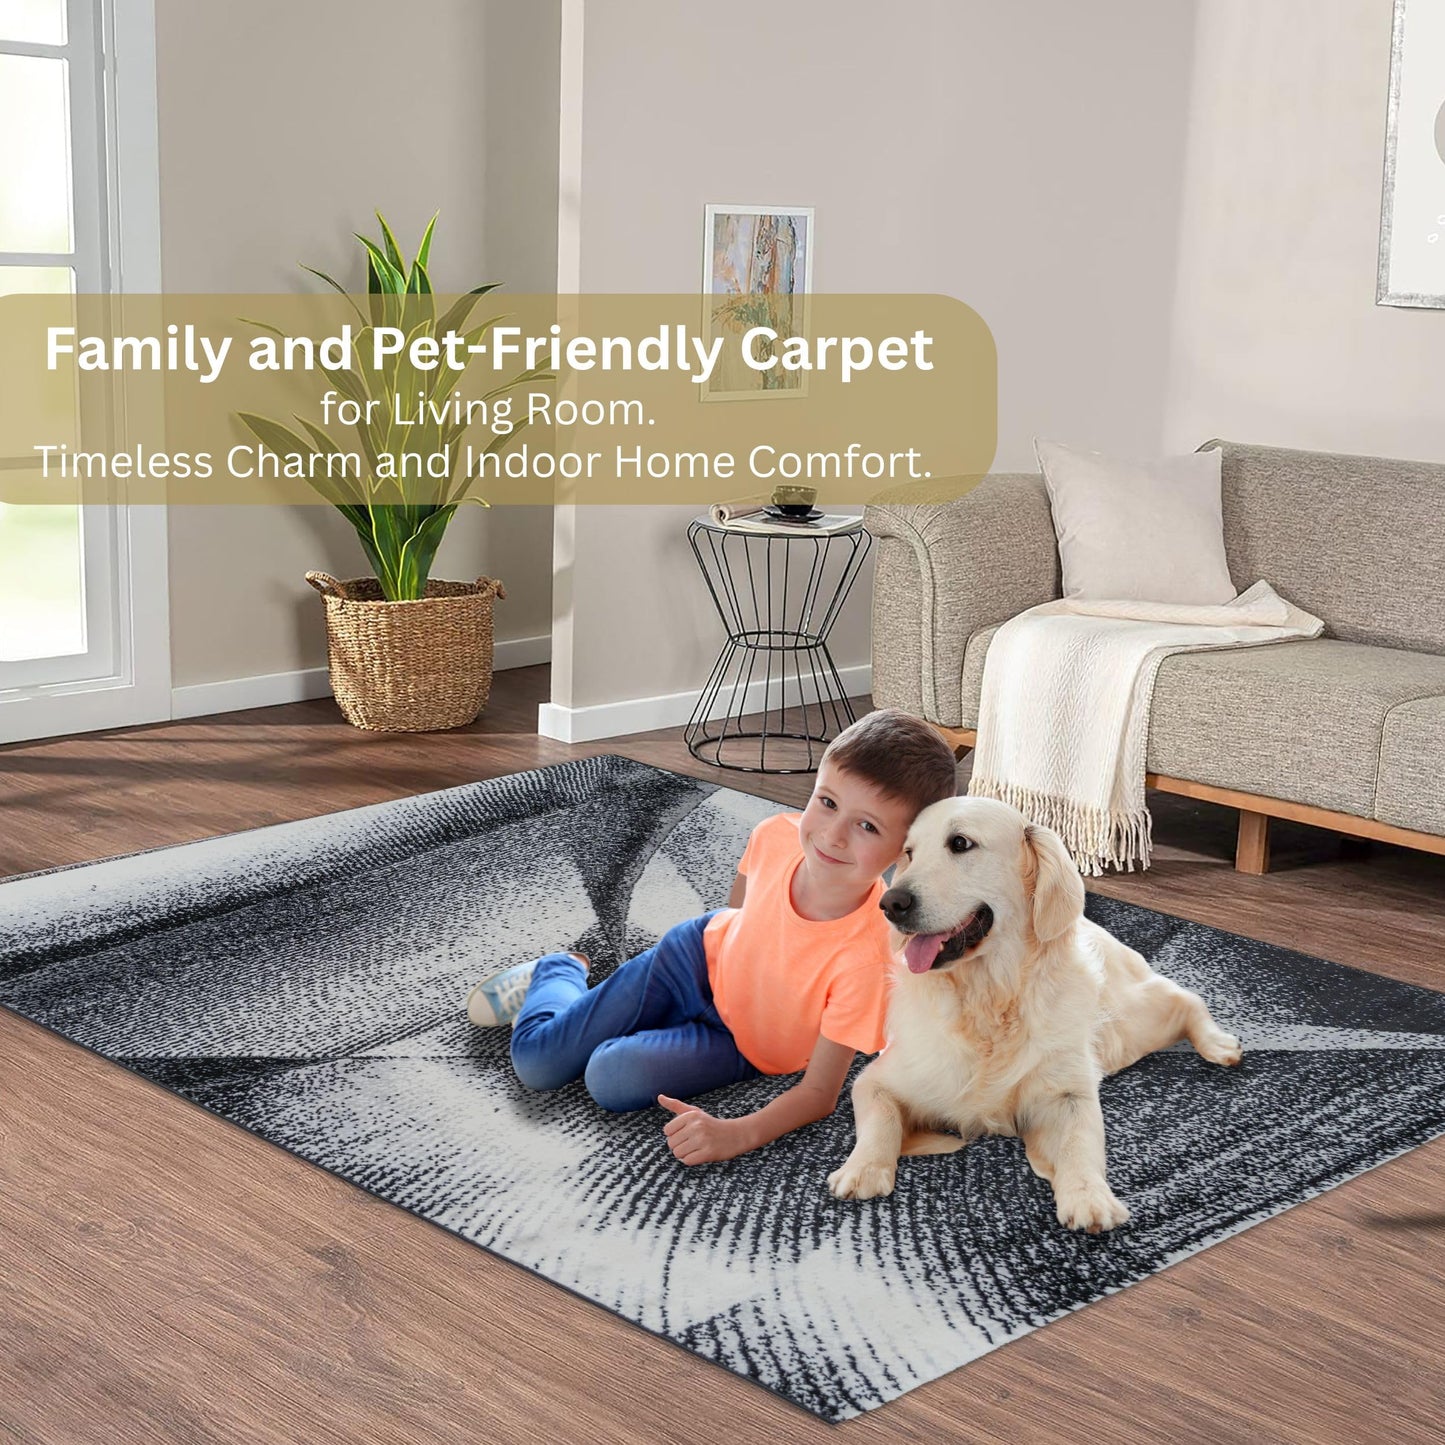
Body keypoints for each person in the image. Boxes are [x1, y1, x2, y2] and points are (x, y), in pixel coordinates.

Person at [465, 709, 959, 1165]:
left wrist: (736, 1133)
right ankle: (559, 969)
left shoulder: (869, 957)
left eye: (867, 826)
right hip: (689, 961)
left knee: (609, 1079)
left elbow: (819, 1095)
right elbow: (736, 914)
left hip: (741, 1046)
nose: (832, 835)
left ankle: (604, 1015)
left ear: (906, 850)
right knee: (536, 1063)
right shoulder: (774, 835)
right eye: (827, 802)